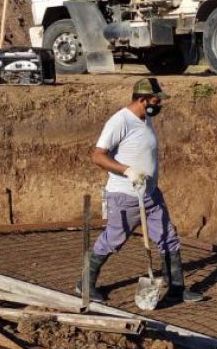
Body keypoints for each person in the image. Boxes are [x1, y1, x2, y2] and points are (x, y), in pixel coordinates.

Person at [77, 77, 203, 304]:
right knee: (113, 240)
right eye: (156, 100)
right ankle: (85, 283)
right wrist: (127, 170)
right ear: (143, 99)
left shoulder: (145, 119)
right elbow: (97, 155)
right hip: (126, 196)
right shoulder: (120, 121)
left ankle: (176, 288)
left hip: (151, 194)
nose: (159, 104)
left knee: (168, 238)